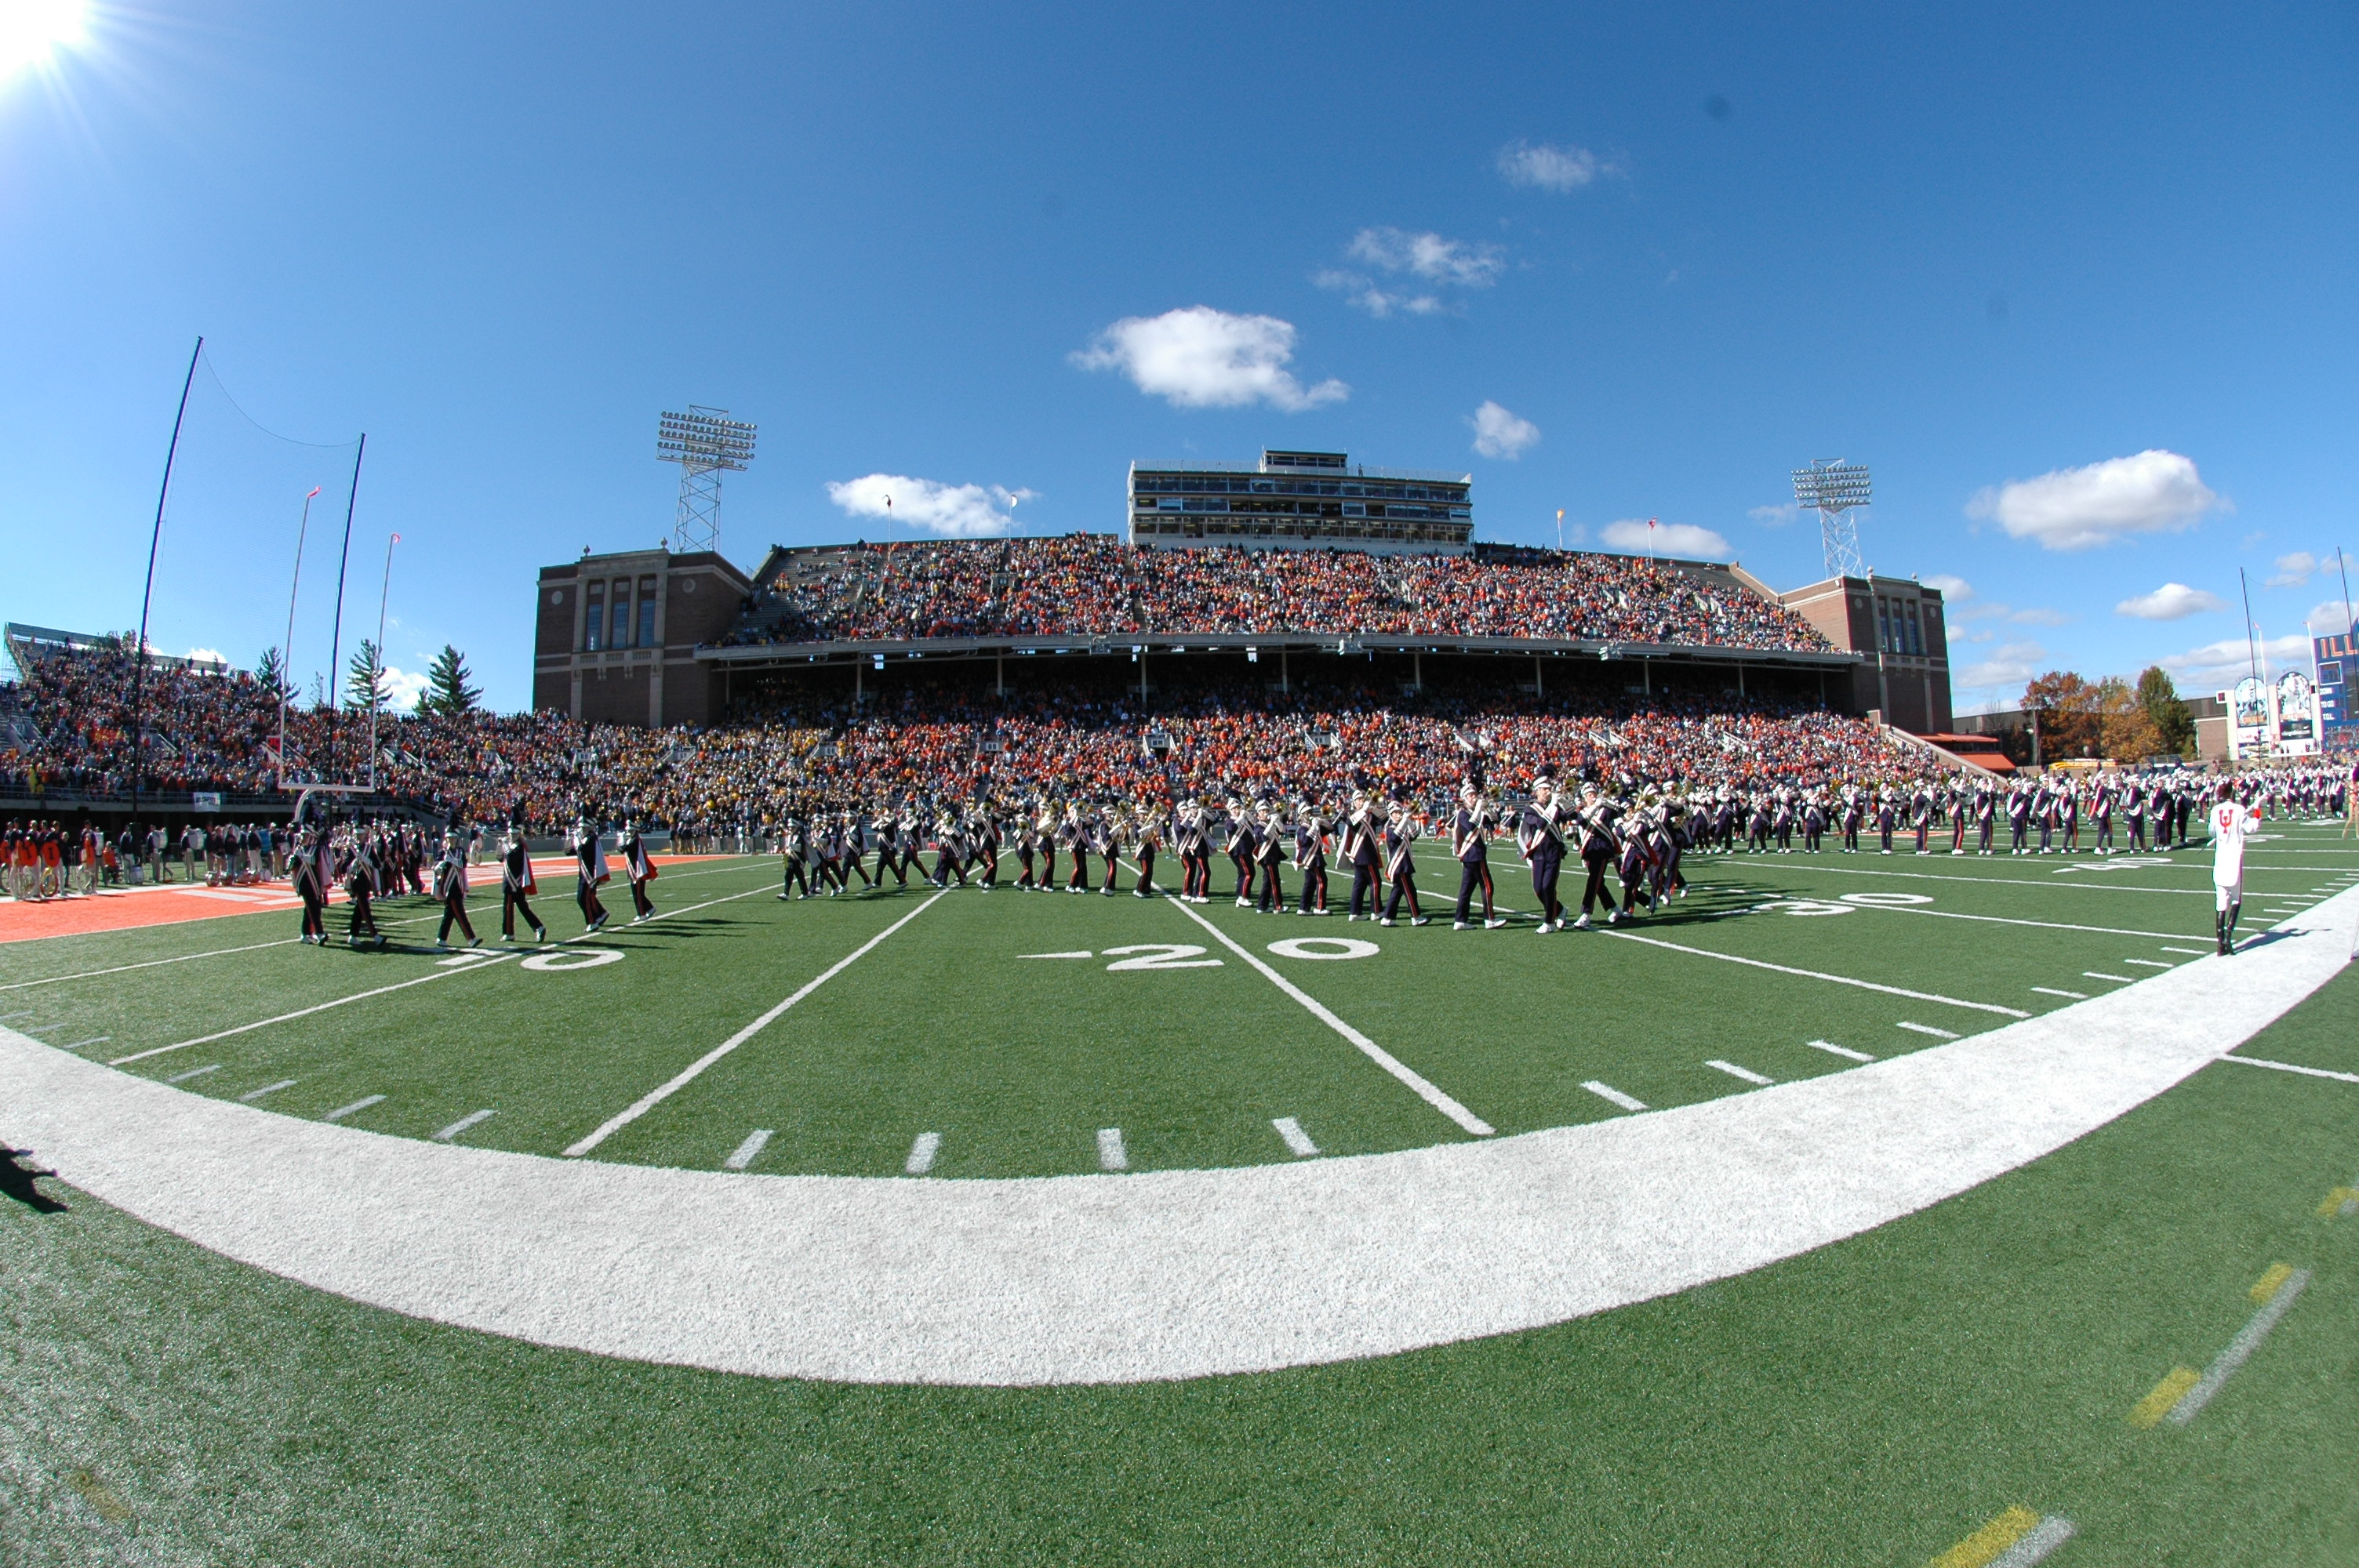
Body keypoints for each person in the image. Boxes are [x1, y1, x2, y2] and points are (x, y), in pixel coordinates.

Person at [2208, 781, 2260, 954]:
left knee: (2221, 902)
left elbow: (2212, 832)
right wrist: (2257, 811)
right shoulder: (2239, 810)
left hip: (2220, 860)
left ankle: (2220, 943)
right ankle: (2228, 938)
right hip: (2233, 861)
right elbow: (2252, 828)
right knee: (2236, 899)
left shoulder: (2215, 811)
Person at [1450, 782, 1504, 930]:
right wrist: (1479, 808)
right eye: (1470, 795)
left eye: (1475, 794)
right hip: (1474, 854)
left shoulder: (1476, 812)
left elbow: (1492, 822)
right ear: (1464, 799)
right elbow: (1470, 827)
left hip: (1472, 855)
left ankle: (1460, 920)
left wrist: (1488, 809)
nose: (1474, 797)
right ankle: (1490, 919)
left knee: (1466, 890)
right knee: (1487, 886)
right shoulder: (1463, 814)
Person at [1518, 772, 1568, 932]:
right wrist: (1553, 806)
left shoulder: (1555, 807)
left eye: (1549, 789)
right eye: (1544, 789)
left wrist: (1564, 802)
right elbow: (1539, 823)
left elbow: (1572, 816)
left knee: (1548, 887)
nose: (1548, 791)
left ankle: (1549, 923)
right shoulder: (1530, 809)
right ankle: (1560, 910)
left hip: (1553, 852)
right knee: (1539, 889)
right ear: (1537, 791)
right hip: (1538, 853)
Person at [433, 831, 482, 950]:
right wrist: (441, 865)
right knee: (460, 913)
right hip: (448, 887)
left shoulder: (460, 851)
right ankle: (471, 939)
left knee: (449, 914)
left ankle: (441, 938)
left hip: (458, 885)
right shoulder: (443, 852)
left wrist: (452, 860)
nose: (452, 840)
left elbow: (463, 865)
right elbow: (436, 868)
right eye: (449, 838)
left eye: (453, 838)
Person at [501, 824, 547, 940]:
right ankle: (539, 927)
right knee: (523, 908)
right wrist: (500, 845)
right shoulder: (512, 845)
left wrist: (505, 845)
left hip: (515, 882)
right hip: (512, 881)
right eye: (511, 834)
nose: (512, 836)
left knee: (509, 908)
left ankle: (509, 933)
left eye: (514, 834)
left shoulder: (520, 846)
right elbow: (500, 858)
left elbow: (511, 857)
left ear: (519, 834)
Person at [569, 815, 611, 932]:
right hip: (584, 872)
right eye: (581, 828)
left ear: (591, 827)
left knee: (583, 898)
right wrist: (572, 839)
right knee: (587, 897)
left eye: (585, 828)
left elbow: (581, 849)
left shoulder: (591, 838)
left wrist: (576, 840)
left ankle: (592, 922)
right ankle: (601, 914)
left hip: (590, 873)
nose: (582, 830)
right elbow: (569, 851)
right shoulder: (585, 837)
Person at [617, 815, 660, 923]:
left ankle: (641, 913)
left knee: (638, 894)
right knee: (638, 893)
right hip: (635, 870)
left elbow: (623, 849)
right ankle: (649, 908)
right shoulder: (632, 840)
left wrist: (621, 840)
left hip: (638, 870)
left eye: (630, 830)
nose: (628, 832)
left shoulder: (634, 840)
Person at [292, 829, 328, 944]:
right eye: (302, 835)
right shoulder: (299, 850)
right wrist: (293, 860)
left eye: (306, 835)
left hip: (314, 882)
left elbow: (315, 861)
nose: (304, 838)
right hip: (304, 883)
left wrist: (302, 856)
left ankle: (305, 934)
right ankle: (319, 933)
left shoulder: (315, 849)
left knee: (312, 909)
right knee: (312, 909)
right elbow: (292, 868)